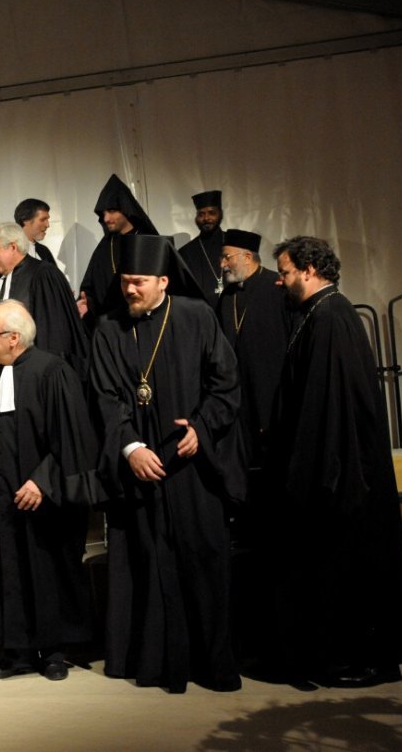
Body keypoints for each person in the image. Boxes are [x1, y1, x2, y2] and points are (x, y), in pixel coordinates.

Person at [89, 234, 244, 694]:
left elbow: (226, 384)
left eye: (139, 282)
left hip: (190, 467)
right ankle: (152, 664)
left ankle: (211, 664)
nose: (130, 290)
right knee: (145, 563)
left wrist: (200, 426)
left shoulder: (196, 316)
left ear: (162, 280)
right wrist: (131, 447)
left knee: (202, 561)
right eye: (125, 282)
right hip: (139, 467)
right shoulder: (107, 328)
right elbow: (104, 396)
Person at [261, 236, 402, 687]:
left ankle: (370, 660)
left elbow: (332, 404)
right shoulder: (320, 314)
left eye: (287, 271)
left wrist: (317, 470)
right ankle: (351, 655)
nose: (282, 280)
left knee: (355, 566)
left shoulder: (331, 315)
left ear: (310, 270)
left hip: (344, 470)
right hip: (338, 464)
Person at [0, 301, 98, 681]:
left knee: (46, 569)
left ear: (14, 338)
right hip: (0, 494)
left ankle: (54, 651)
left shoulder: (53, 372)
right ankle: (16, 651)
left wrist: (42, 480)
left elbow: (73, 438)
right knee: (7, 568)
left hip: (44, 498)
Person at [215, 230, 292, 471]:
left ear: (247, 256)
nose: (222, 264)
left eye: (227, 257)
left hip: (272, 394)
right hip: (239, 397)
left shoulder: (277, 287)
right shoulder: (227, 296)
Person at [0, 222, 88, 374]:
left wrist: (44, 374)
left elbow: (53, 334)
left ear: (13, 247)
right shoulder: (7, 276)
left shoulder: (43, 274)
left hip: (38, 371)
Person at [79, 174, 160, 331]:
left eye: (112, 211)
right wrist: (85, 303)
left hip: (145, 325)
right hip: (111, 327)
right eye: (103, 213)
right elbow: (90, 288)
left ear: (126, 210)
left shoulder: (147, 241)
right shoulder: (105, 246)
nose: (106, 218)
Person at [0, 198, 56, 294]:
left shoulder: (44, 251)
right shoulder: (4, 250)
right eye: (43, 219)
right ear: (25, 220)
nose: (47, 225)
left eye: (47, 220)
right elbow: (1, 290)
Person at [178, 190, 226, 305]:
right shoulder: (186, 252)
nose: (206, 218)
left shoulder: (234, 243)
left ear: (220, 214)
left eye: (212, 213)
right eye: (201, 214)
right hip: (203, 313)